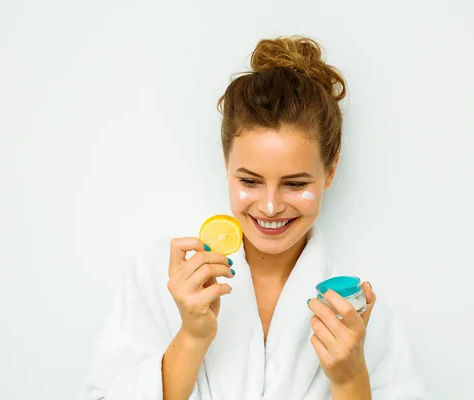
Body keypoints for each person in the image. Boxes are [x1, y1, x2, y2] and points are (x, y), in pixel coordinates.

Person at [79, 35, 430, 400]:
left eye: (294, 184)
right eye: (249, 181)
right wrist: (191, 338)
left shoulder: (357, 312)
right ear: (225, 162)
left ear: (330, 171)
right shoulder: (158, 278)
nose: (270, 206)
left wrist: (349, 379)